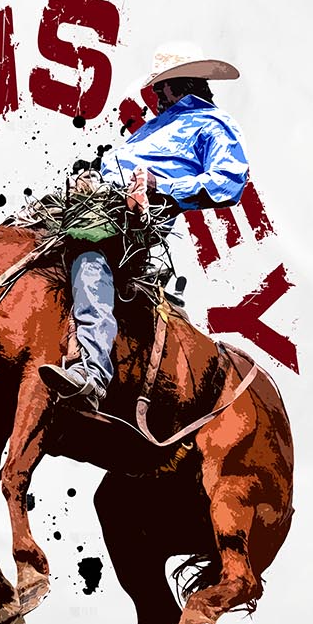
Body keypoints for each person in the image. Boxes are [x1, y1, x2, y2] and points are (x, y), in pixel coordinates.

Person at [38, 44, 248, 409]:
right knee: (19, 240)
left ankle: (92, 374)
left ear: (179, 85)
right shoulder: (154, 126)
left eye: (160, 87)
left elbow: (228, 183)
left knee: (91, 256)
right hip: (93, 202)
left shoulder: (214, 124)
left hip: (133, 217)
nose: (156, 95)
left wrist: (160, 185)